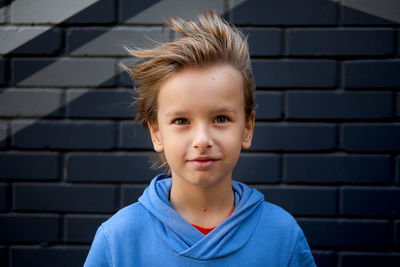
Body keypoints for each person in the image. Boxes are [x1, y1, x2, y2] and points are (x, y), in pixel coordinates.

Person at [84, 11, 316, 266]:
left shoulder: (282, 235)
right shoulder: (118, 239)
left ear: (247, 128)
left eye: (220, 119)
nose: (202, 140)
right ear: (156, 133)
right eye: (182, 121)